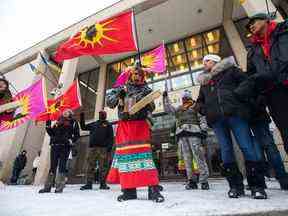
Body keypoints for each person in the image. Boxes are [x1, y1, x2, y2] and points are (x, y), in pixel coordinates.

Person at [196, 54, 267, 199]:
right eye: (203, 61)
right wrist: (204, 109)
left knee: (246, 147)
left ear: (216, 61)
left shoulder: (232, 70)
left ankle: (257, 186)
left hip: (236, 114)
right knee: (226, 151)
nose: (204, 63)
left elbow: (247, 83)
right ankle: (235, 186)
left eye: (207, 60)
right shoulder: (205, 82)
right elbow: (199, 101)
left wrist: (237, 95)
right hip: (217, 120)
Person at [106, 61, 164, 202]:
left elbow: (152, 107)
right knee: (126, 160)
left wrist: (144, 100)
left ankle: (153, 190)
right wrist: (119, 93)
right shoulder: (121, 87)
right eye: (135, 73)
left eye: (140, 73)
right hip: (125, 126)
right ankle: (129, 191)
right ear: (130, 74)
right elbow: (110, 102)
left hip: (140, 126)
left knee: (146, 159)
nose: (137, 75)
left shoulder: (147, 89)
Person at [235, 14, 288, 155]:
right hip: (274, 95)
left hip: (285, 82)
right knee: (285, 130)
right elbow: (252, 76)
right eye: (248, 26)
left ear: (266, 20)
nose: (251, 26)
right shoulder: (252, 52)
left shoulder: (283, 32)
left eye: (254, 22)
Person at [163, 89, 209, 190]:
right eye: (183, 97)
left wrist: (204, 129)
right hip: (182, 134)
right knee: (187, 159)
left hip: (194, 133)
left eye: (186, 97)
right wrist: (165, 98)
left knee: (198, 156)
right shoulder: (179, 108)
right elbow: (169, 110)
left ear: (189, 97)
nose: (184, 99)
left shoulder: (195, 106)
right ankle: (191, 180)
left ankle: (204, 180)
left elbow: (202, 118)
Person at [39, 109, 80, 193]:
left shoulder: (74, 122)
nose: (65, 112)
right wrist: (48, 124)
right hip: (55, 145)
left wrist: (71, 140)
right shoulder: (58, 121)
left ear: (70, 113)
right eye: (64, 111)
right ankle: (47, 187)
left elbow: (77, 135)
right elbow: (52, 133)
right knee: (52, 166)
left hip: (65, 146)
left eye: (67, 111)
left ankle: (59, 187)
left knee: (62, 166)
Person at [79, 110, 114, 191]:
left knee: (103, 167)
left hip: (103, 149)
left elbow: (111, 137)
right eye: (100, 114)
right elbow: (83, 127)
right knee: (90, 166)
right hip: (93, 148)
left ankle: (103, 184)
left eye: (103, 114)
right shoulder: (94, 124)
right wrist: (82, 116)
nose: (101, 115)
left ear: (105, 115)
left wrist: (109, 147)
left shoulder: (108, 125)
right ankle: (88, 184)